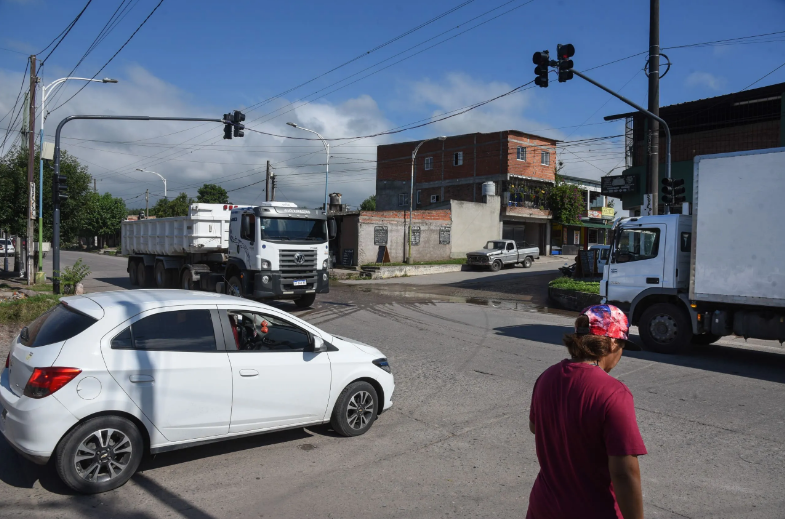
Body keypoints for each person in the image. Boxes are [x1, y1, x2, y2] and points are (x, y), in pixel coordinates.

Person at [527, 305, 647, 519]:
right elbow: (623, 472)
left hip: (543, 507)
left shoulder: (546, 377)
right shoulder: (614, 393)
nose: (620, 355)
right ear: (611, 343)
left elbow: (535, 427)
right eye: (622, 346)